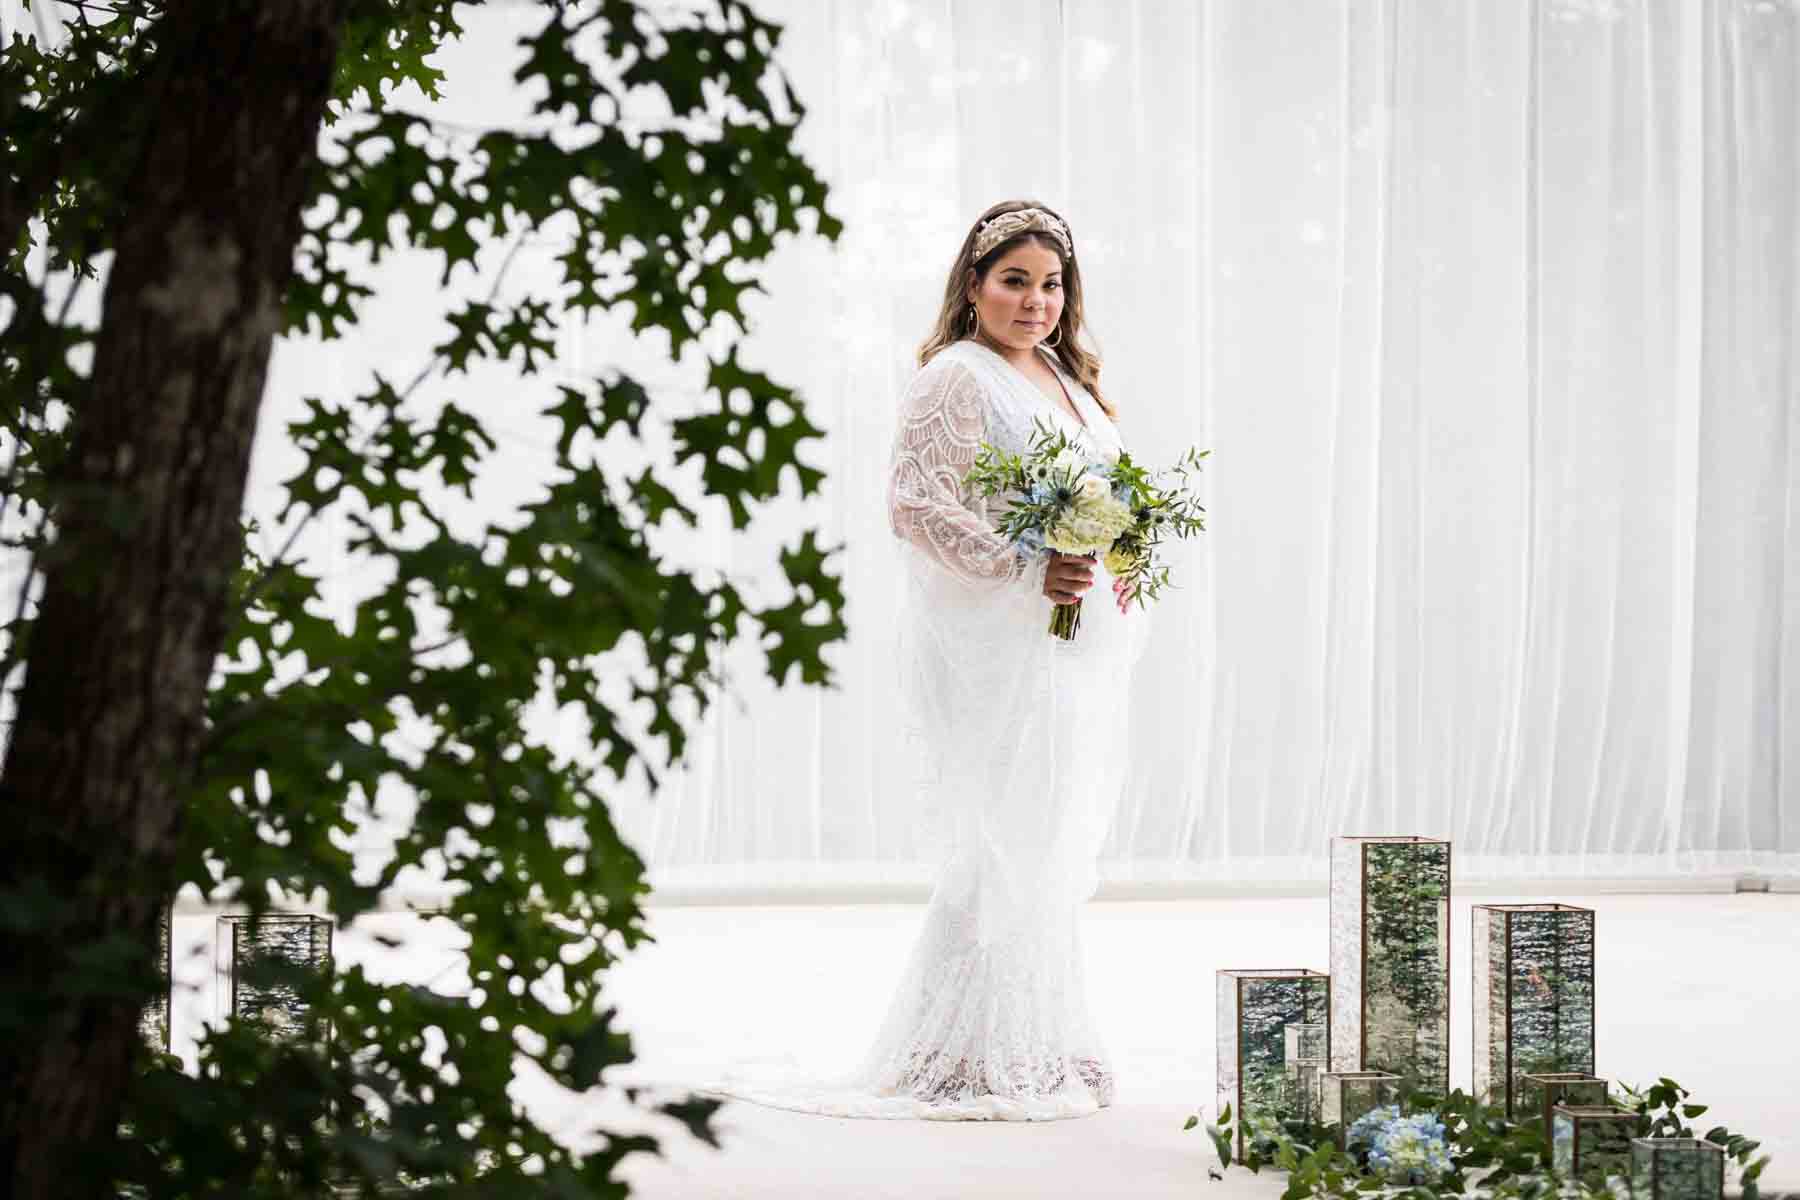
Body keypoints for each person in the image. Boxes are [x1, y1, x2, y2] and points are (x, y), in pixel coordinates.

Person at [701, 200, 1145, 1121]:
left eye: (1051, 283)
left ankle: (1041, 1034)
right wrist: (1030, 561)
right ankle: (964, 1055)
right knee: (1006, 835)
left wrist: (1124, 552)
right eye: (1014, 281)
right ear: (973, 285)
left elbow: (1113, 496)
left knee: (1055, 832)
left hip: (1074, 646)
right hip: (1001, 646)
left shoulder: (1068, 377)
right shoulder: (958, 376)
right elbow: (916, 505)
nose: (1035, 302)